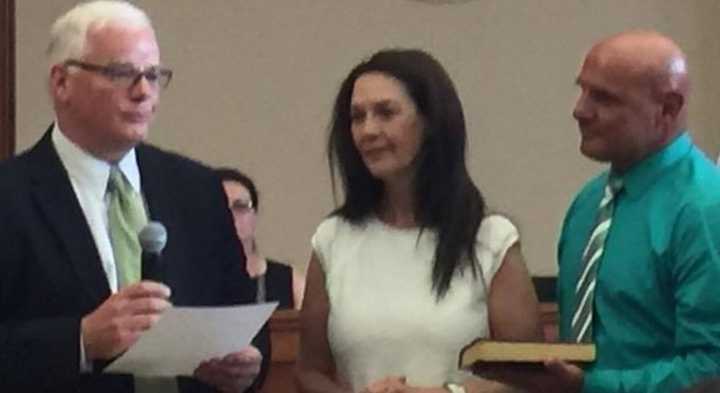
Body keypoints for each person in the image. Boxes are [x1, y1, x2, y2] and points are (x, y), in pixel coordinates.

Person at [0, 1, 268, 392]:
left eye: (153, 75)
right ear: (61, 83)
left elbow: (244, 319)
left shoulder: (197, 190)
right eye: (121, 73)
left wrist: (247, 365)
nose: (143, 92)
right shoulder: (10, 196)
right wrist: (81, 340)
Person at [295, 48, 542, 393]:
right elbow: (310, 371)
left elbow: (528, 379)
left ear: (430, 122)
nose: (367, 130)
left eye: (385, 113)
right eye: (357, 116)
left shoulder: (490, 239)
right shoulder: (333, 239)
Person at [488, 31, 720, 393]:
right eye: (582, 90)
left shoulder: (707, 209)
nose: (580, 110)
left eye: (604, 98)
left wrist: (590, 387)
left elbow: (711, 371)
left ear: (668, 108)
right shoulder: (588, 203)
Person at [216, 167, 305, 309]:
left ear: (254, 215)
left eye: (240, 207)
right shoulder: (187, 280)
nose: (230, 216)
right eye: (219, 207)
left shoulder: (290, 282)